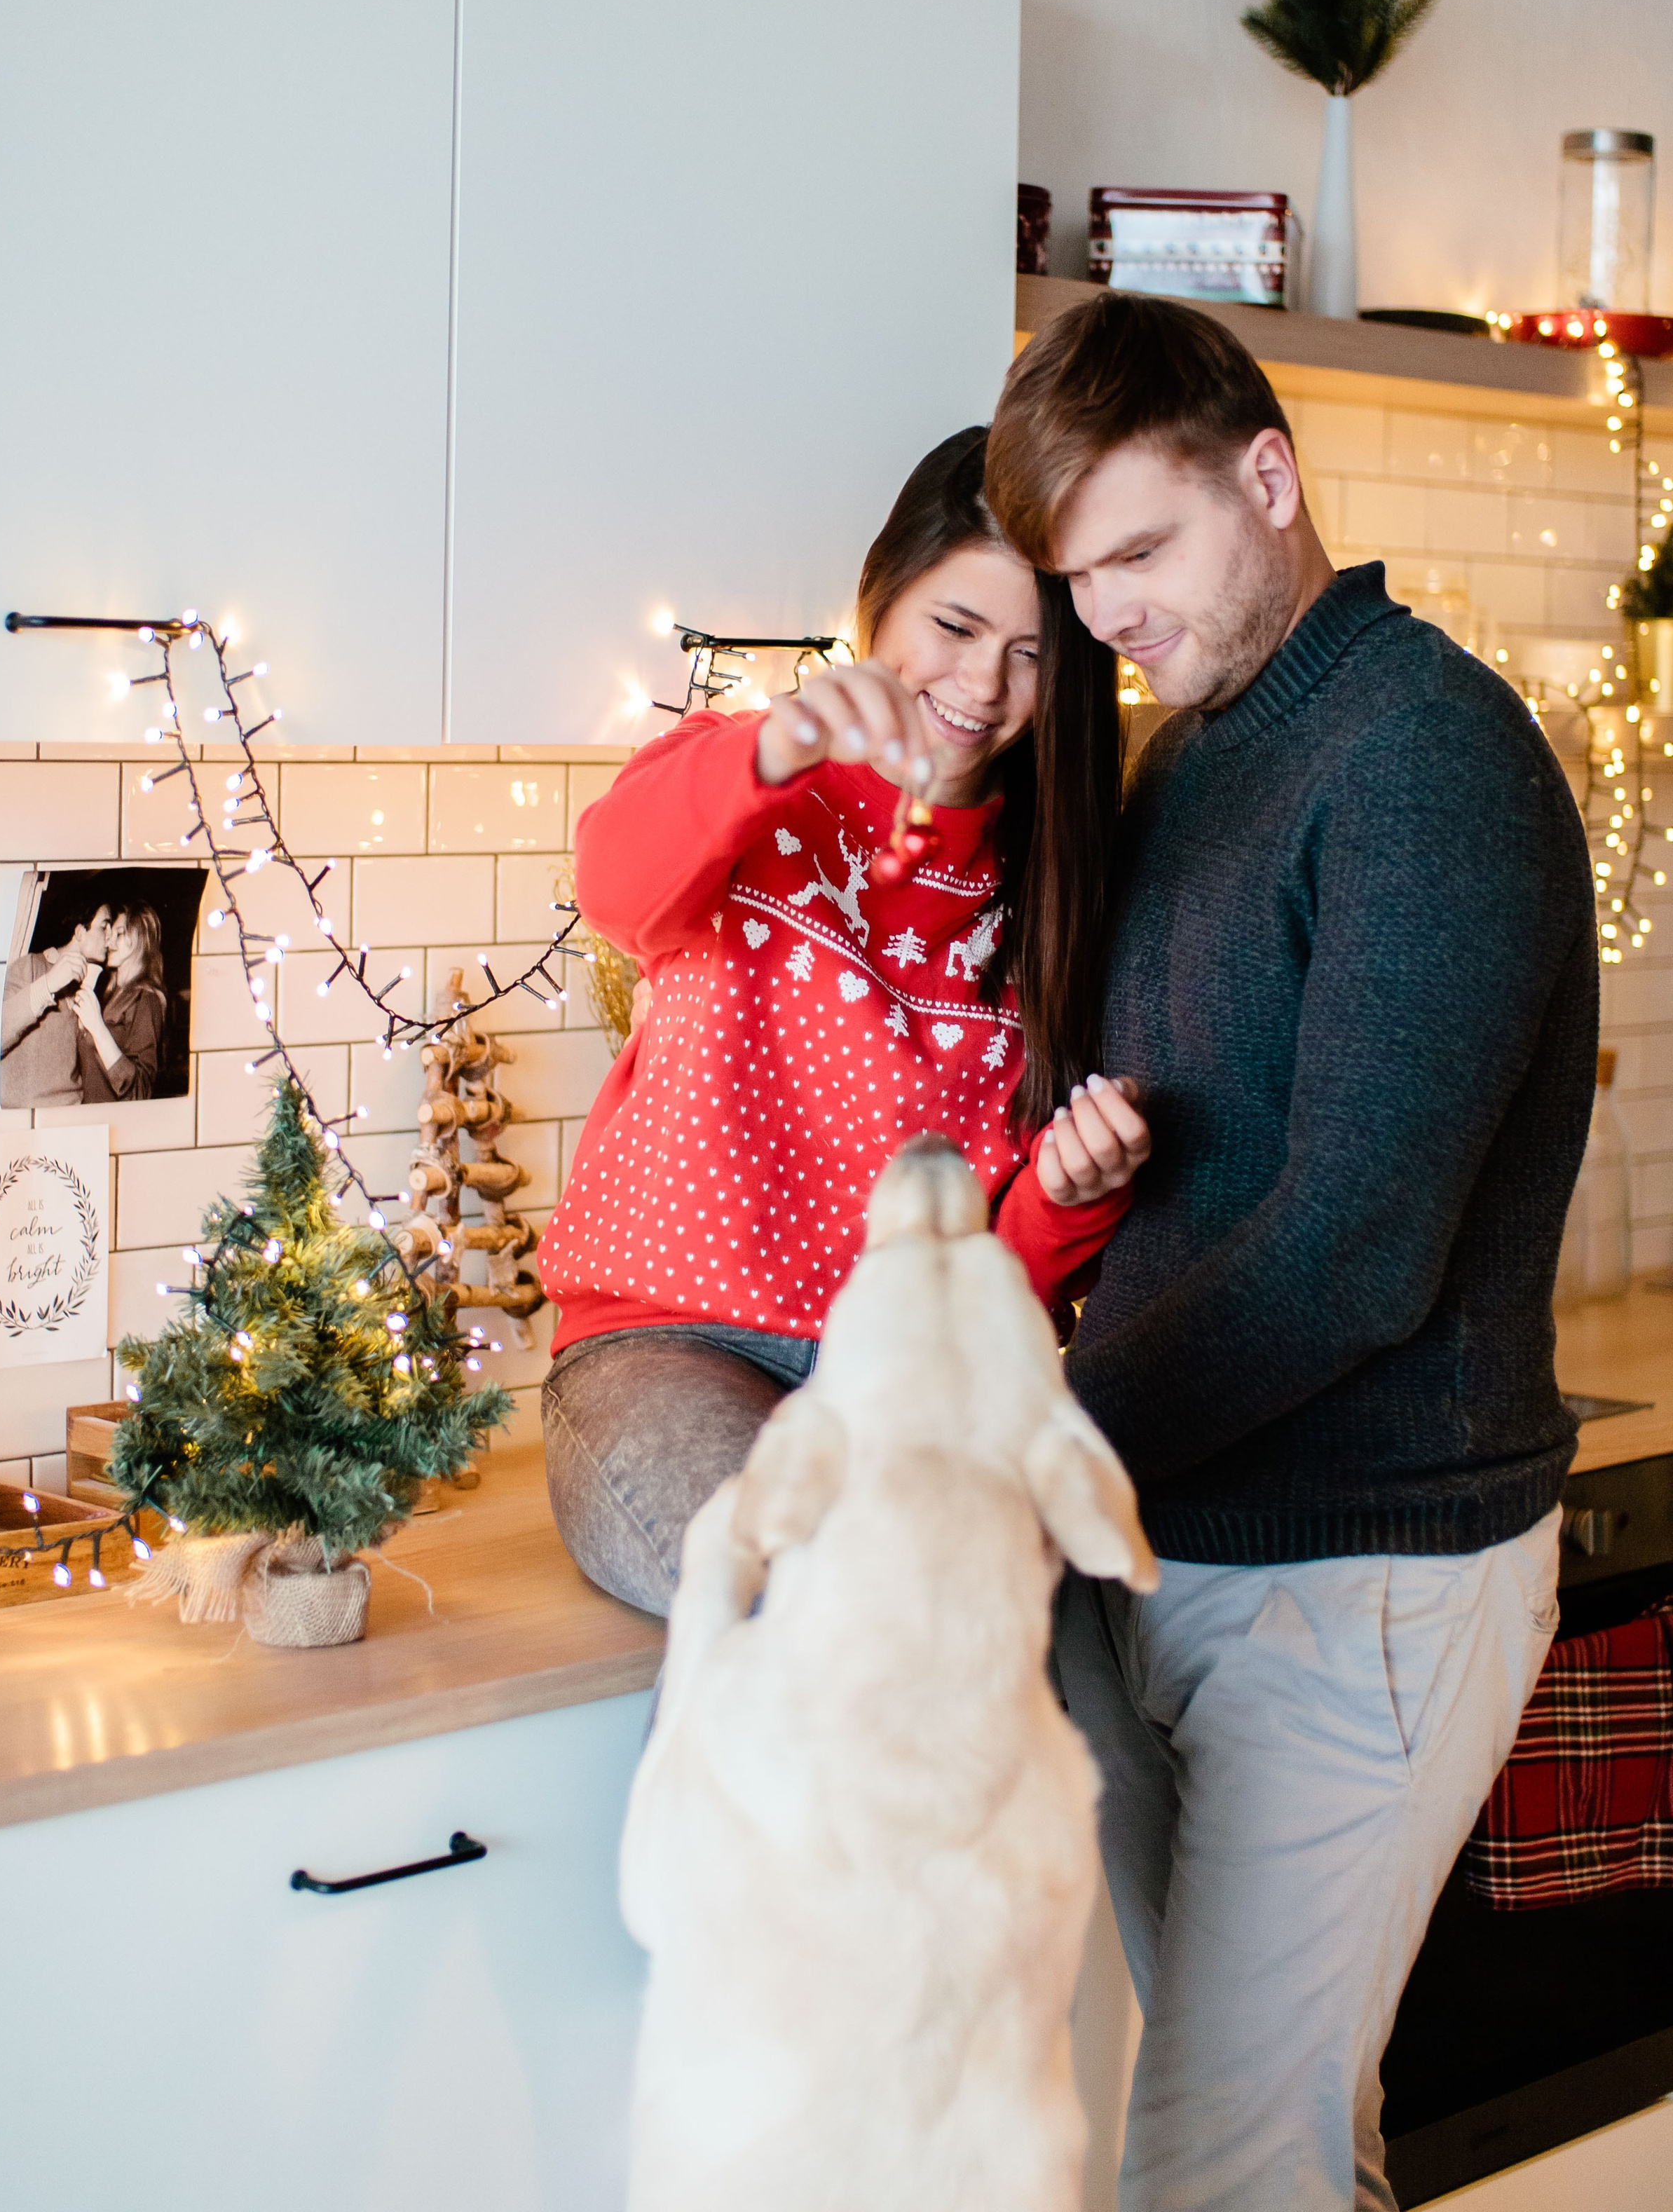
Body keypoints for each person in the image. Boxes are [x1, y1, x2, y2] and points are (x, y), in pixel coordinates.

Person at [985, 290, 1592, 2212]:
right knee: (1276, 2159)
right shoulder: (1192, 760)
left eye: (1140, 550)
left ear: (1268, 476)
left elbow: (1353, 1253)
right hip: (1176, 1554)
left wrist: (1032, 1448)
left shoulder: (1420, 756)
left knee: (1219, 2174)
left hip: (1358, 1584)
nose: (1106, 612)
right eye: (1078, 576)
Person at [537, 427, 1153, 1616]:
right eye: (955, 628)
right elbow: (613, 888)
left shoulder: (1063, 889)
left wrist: (1070, 1198)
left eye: (1031, 654)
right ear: (882, 598)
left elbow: (1002, 1278)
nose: (984, 686)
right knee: (814, 1604)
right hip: (669, 1349)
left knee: (1045, 1657)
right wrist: (779, 746)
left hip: (921, 1382)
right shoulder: (753, 777)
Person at [0, 906, 110, 1108]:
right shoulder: (30, 966)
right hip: (28, 1117)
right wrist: (48, 984)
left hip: (74, 1113)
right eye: (104, 927)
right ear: (79, 932)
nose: (110, 936)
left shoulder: (91, 986)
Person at [72, 904, 167, 1103]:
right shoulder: (110, 994)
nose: (109, 940)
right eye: (109, 933)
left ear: (140, 939)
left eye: (119, 934)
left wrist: (97, 1027)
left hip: (117, 1118)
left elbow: (140, 1091)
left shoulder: (146, 999)